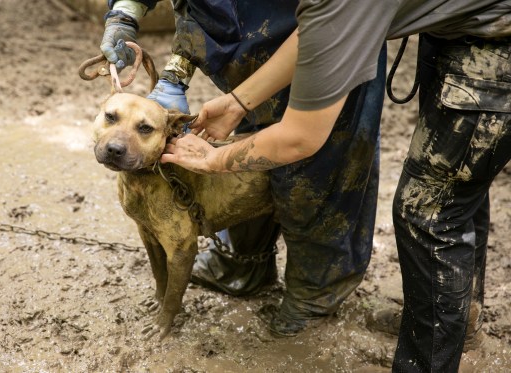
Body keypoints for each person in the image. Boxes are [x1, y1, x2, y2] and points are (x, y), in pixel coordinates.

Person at [159, 1, 511, 372]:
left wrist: (215, 160)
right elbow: (316, 34)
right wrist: (238, 102)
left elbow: (300, 138)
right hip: (458, 29)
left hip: (496, 47)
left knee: (427, 213)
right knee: (458, 183)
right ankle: (460, 324)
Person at [100, 0, 386, 337]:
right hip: (246, 56)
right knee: (246, 169)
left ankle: (316, 295)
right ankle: (244, 265)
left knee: (318, 172)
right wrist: (127, 13)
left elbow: (300, 137)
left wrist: (219, 159)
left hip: (335, 48)